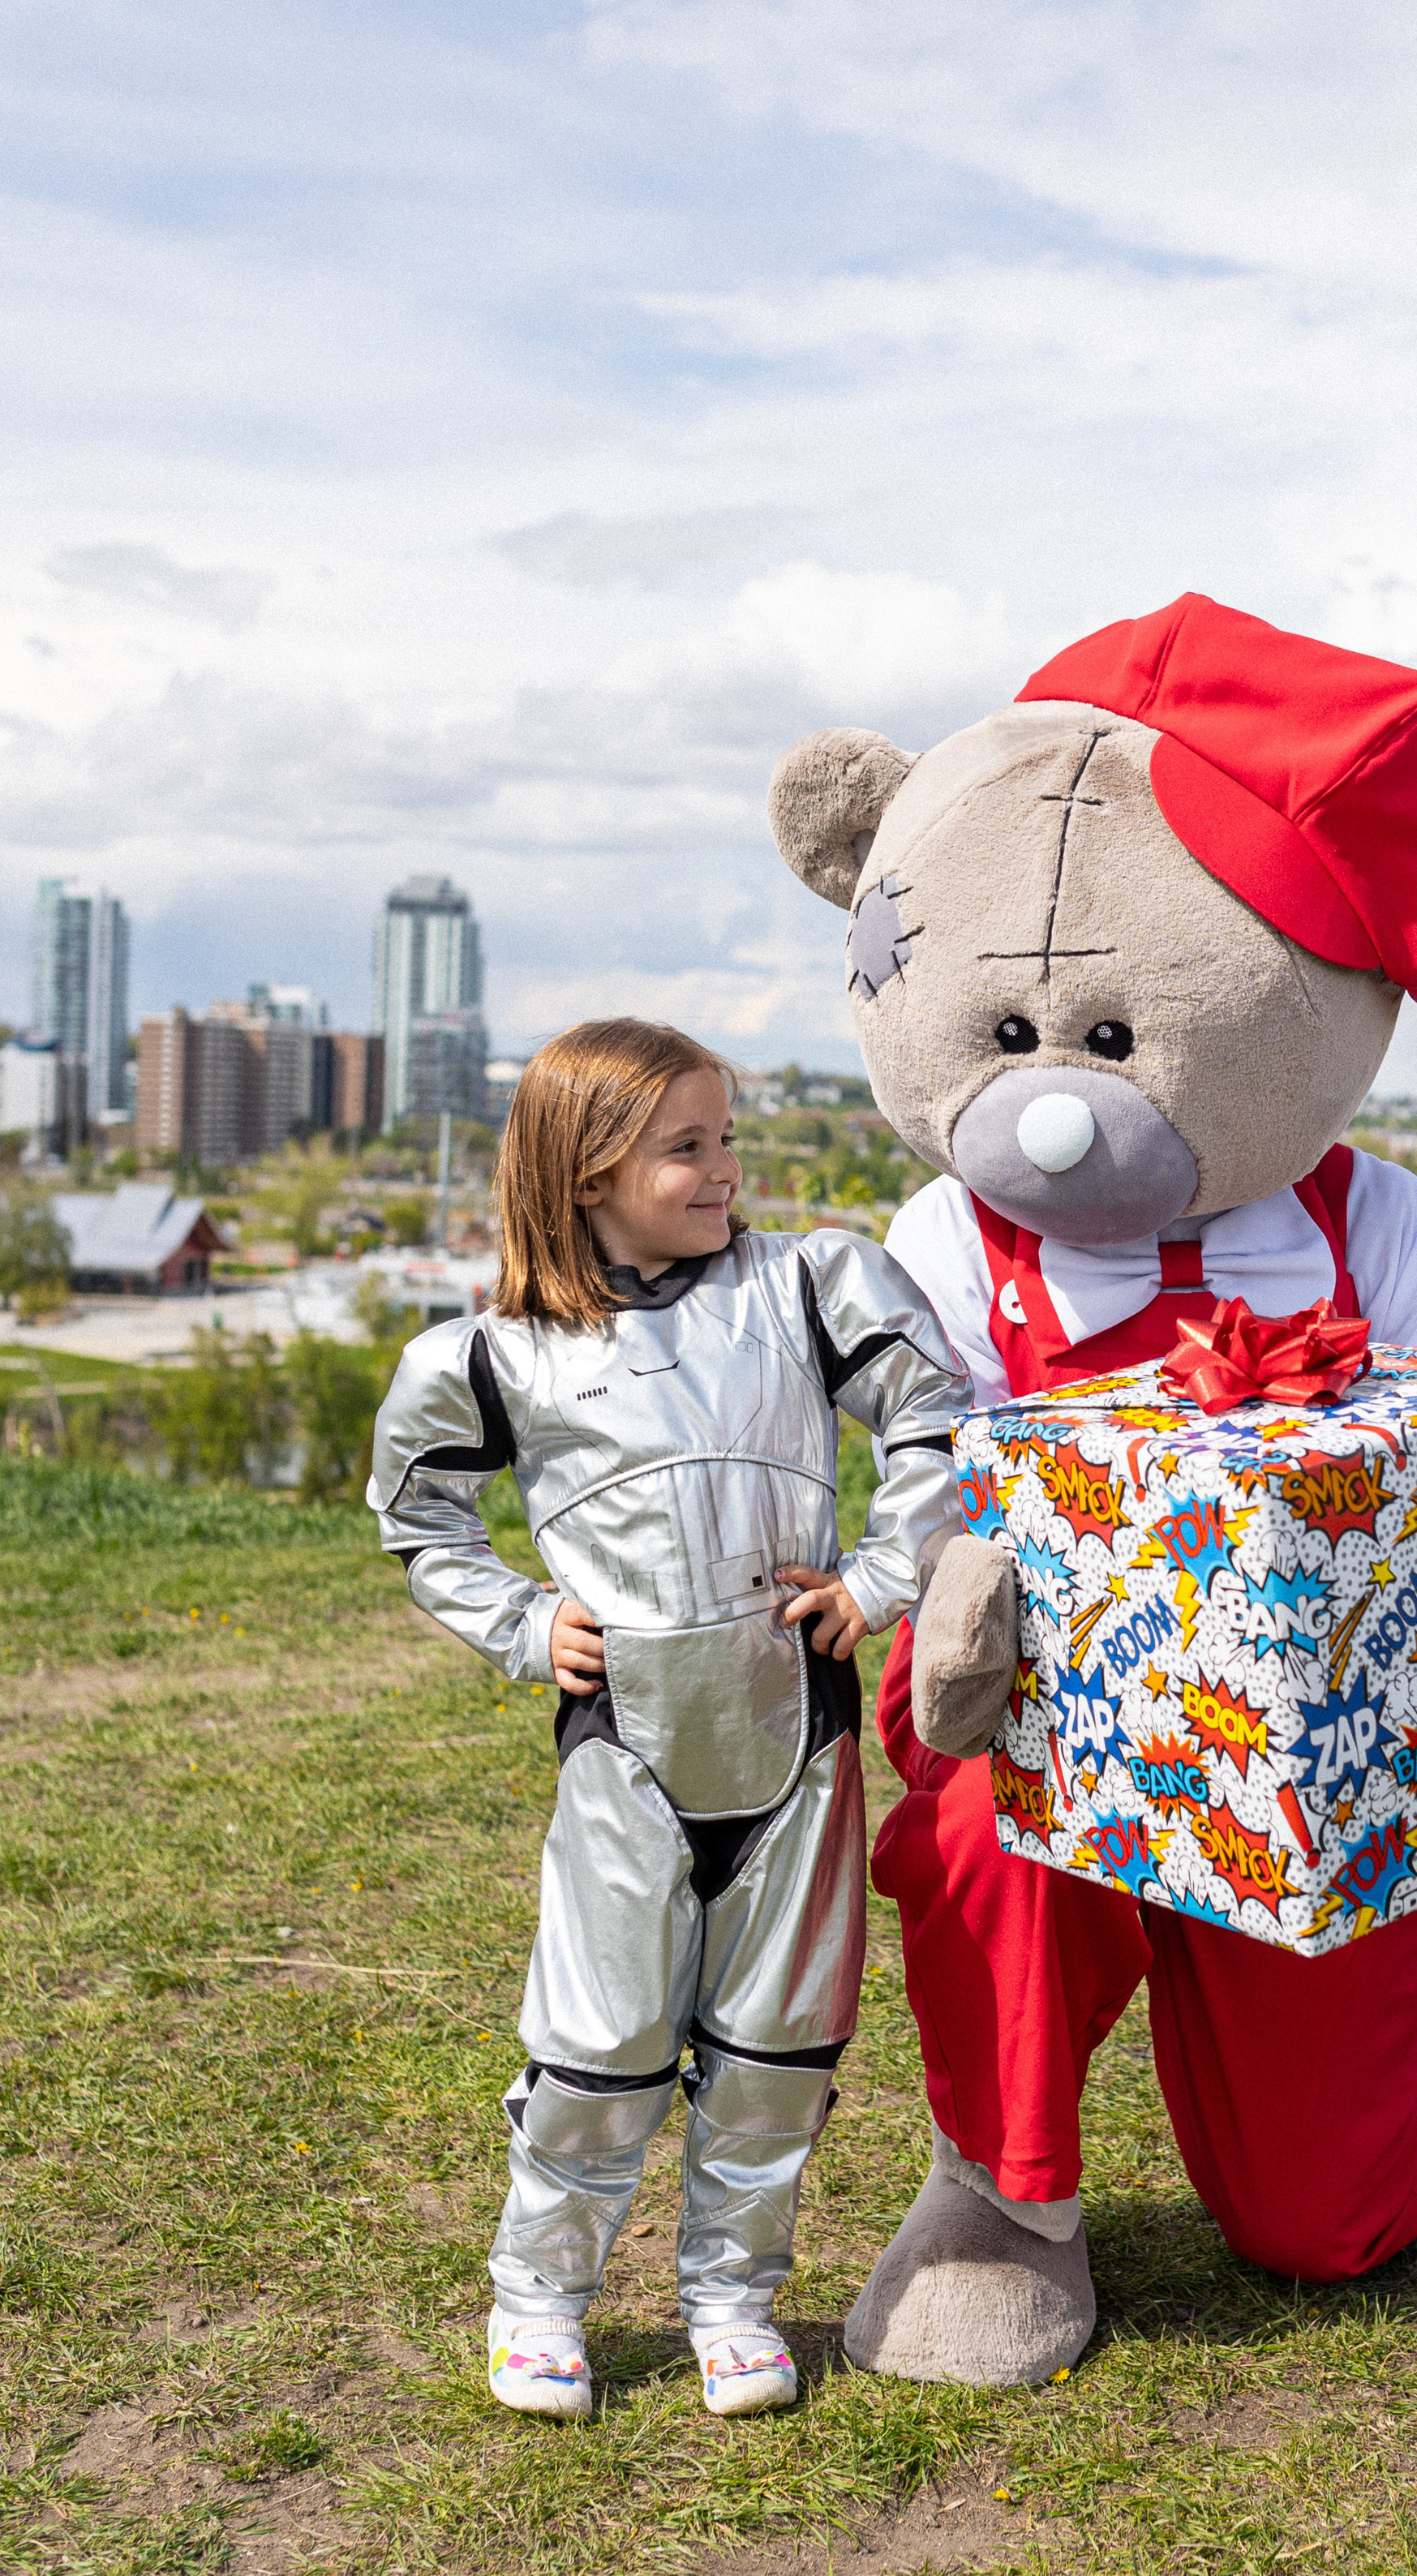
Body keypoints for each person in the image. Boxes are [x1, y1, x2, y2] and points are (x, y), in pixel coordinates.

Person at [367, 1020, 968, 2420]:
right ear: (587, 1171)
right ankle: (539, 2298)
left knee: (778, 2046)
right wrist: (523, 1624)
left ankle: (732, 2297)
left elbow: (938, 1414)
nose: (721, 1169)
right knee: (601, 2045)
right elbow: (417, 1514)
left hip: (795, 1743)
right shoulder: (504, 1353)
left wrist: (884, 1576)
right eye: (684, 1147)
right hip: (627, 1751)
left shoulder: (810, 1285)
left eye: (728, 1138)